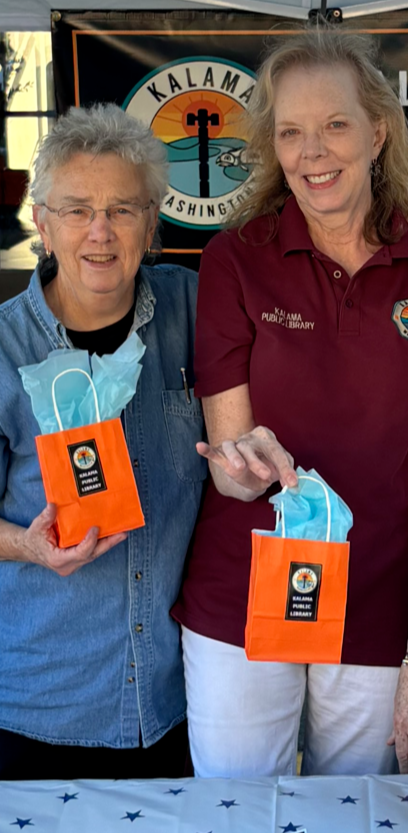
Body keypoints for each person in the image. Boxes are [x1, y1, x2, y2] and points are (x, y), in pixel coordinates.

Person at [171, 28, 408, 778]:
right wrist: (246, 467)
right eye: (290, 132)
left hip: (380, 607)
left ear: (377, 131)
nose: (313, 152)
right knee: (236, 816)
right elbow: (228, 457)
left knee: (364, 820)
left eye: (334, 125)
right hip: (241, 600)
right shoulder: (234, 258)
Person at [0, 104, 203, 778]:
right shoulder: (3, 347)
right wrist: (24, 544)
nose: (100, 232)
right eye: (78, 208)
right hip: (39, 705)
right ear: (42, 221)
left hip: (172, 705)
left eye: (122, 209)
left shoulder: (193, 312)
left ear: (152, 223)